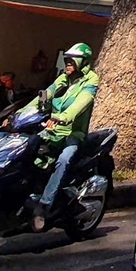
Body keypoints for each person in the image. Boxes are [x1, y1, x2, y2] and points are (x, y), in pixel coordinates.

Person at [28, 42, 100, 228]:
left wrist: (62, 117)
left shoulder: (90, 81)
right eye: (66, 60)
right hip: (52, 131)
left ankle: (45, 204)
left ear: (82, 62)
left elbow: (82, 103)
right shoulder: (63, 78)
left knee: (63, 160)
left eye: (71, 60)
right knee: (29, 151)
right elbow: (45, 94)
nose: (68, 63)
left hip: (72, 133)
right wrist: (21, 114)